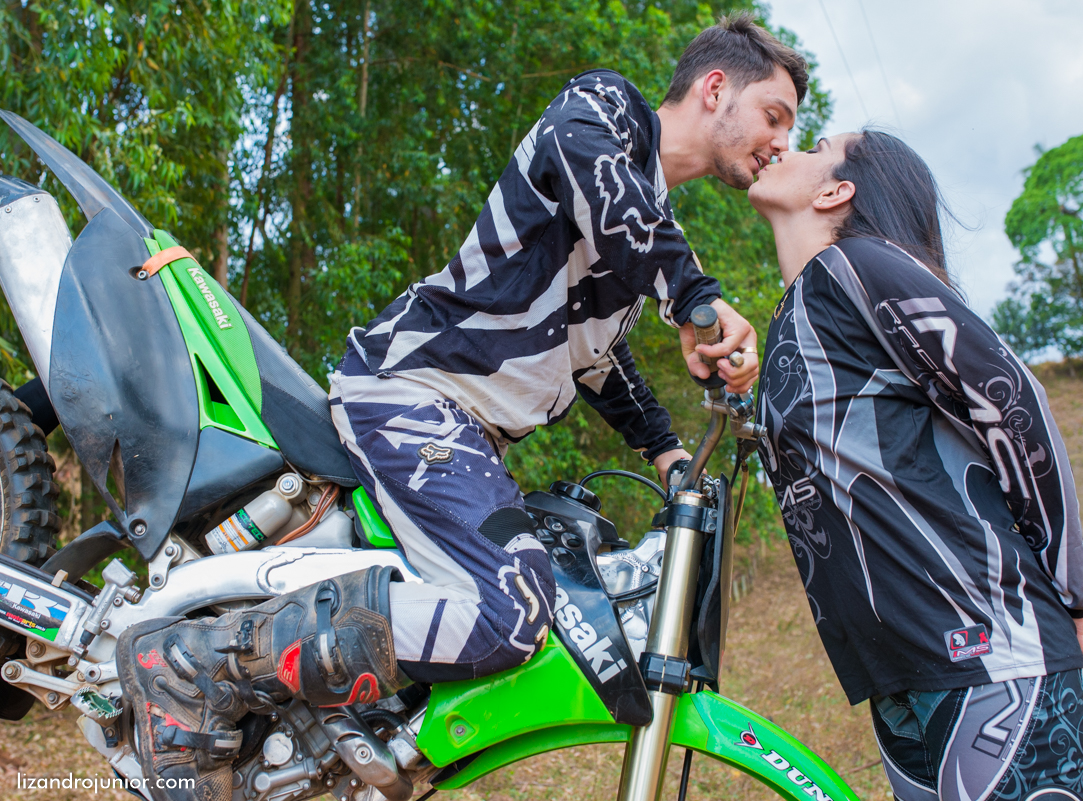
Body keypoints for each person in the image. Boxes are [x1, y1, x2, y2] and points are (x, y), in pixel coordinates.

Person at [115, 13, 808, 800]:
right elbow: (592, 170)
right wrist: (695, 298)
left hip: (464, 432)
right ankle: (195, 663)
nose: (780, 142)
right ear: (715, 88)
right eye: (774, 116)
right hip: (412, 395)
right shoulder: (605, 113)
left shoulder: (646, 222)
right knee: (510, 607)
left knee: (514, 598)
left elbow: (599, 360)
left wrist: (670, 453)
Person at [747, 130, 1083, 800]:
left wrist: (1070, 590)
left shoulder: (859, 265)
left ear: (836, 190)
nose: (786, 145)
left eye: (816, 142)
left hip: (992, 652)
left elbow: (1012, 401)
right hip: (903, 666)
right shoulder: (802, 308)